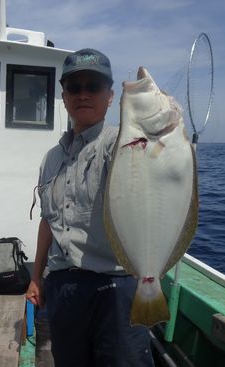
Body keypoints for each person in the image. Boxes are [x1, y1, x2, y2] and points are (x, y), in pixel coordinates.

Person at [26, 48, 154, 367]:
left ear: (110, 96)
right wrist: (37, 276)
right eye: (74, 87)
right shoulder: (51, 159)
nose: (83, 94)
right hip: (62, 288)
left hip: (115, 285)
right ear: (64, 96)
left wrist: (151, 110)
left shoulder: (121, 143)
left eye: (93, 86)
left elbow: (149, 160)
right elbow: (48, 221)